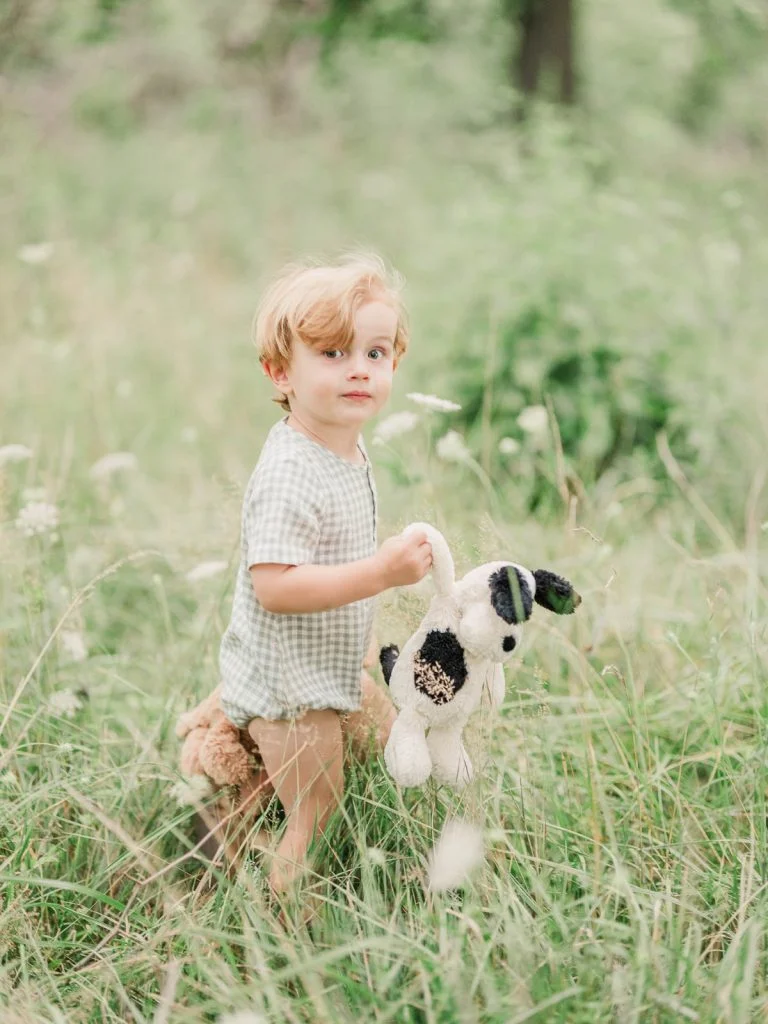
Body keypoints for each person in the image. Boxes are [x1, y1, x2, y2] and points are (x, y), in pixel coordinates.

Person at [219, 253, 433, 898]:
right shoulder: (292, 469)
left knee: (329, 788)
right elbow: (276, 586)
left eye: (375, 352)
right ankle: (283, 934)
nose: (360, 370)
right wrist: (381, 572)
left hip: (318, 666)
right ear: (280, 372)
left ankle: (234, 836)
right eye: (334, 354)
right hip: (289, 686)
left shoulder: (342, 446)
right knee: (317, 812)